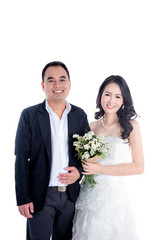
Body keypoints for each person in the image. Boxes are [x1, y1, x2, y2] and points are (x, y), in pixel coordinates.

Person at [14, 61, 90, 240]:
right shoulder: (29, 115)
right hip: (41, 196)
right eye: (51, 80)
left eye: (62, 79)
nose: (57, 85)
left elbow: (86, 155)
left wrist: (78, 172)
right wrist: (23, 198)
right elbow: (21, 158)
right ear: (43, 85)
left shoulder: (79, 115)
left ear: (69, 84)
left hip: (71, 196)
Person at [72, 75, 144, 240]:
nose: (111, 100)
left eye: (118, 96)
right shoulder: (91, 126)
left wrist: (101, 169)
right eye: (107, 94)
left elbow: (138, 167)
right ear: (100, 96)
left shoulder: (131, 126)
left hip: (114, 200)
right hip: (89, 195)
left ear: (124, 99)